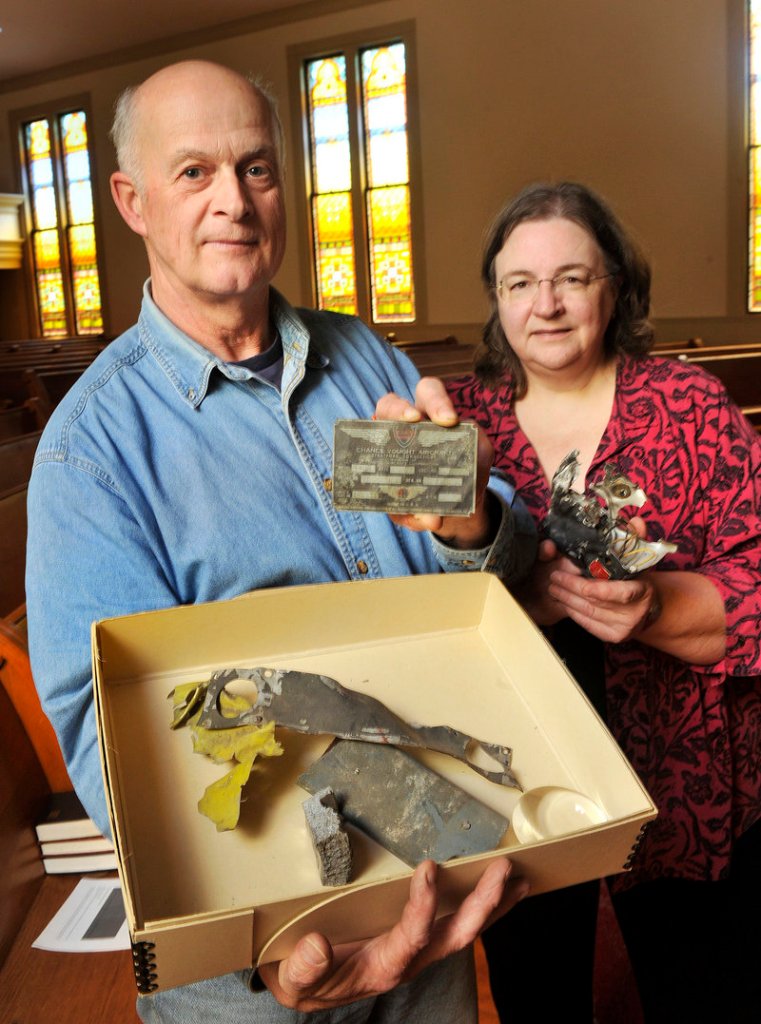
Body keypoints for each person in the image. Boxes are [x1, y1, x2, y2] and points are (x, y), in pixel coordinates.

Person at [25, 60, 536, 1024]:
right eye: (194, 174)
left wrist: (472, 517)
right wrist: (272, 932)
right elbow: (113, 734)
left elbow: (485, 589)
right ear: (131, 201)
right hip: (269, 962)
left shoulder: (363, 366)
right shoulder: (94, 451)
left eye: (256, 168)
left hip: (425, 888)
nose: (233, 201)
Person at [446, 181, 761, 1024]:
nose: (544, 305)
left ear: (614, 288)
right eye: (519, 283)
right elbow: (406, 598)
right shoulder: (465, 426)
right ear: (496, 299)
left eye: (572, 278)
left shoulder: (687, 408)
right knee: (534, 993)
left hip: (682, 774)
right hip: (520, 779)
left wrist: (653, 608)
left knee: (699, 990)